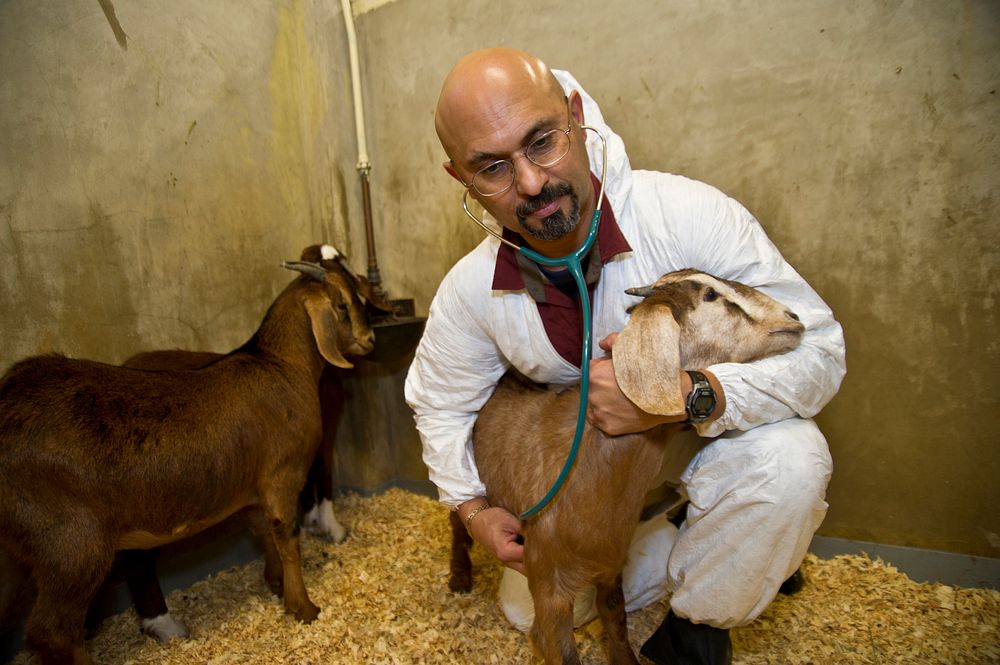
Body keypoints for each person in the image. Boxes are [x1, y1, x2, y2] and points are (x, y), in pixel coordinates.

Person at [405, 47, 845, 665]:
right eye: (492, 168)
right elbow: (440, 405)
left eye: (541, 142)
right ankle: (702, 542)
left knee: (789, 465)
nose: (531, 183)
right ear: (462, 179)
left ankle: (697, 624)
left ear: (576, 116)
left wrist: (682, 397)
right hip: (585, 485)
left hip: (691, 447)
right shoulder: (470, 289)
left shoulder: (687, 216)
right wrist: (472, 509)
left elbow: (820, 349)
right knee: (529, 609)